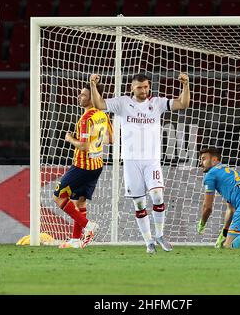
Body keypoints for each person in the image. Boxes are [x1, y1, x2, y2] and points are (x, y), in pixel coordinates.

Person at [89, 72, 190, 254]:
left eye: (146, 87)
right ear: (132, 88)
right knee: (140, 204)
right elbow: (99, 104)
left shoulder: (157, 103)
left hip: (151, 160)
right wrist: (93, 86)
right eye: (139, 87)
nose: (143, 90)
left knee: (157, 196)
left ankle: (159, 235)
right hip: (130, 161)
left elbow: (183, 103)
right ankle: (148, 241)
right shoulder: (122, 103)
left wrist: (185, 85)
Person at [54, 83, 113, 249]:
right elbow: (112, 139)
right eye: (80, 94)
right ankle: (75, 240)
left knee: (58, 196)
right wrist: (97, 141)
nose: (80, 97)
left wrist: (70, 139)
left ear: (93, 98)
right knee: (79, 201)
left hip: (82, 166)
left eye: (84, 95)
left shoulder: (86, 119)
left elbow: (84, 147)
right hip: (97, 165)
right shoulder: (103, 115)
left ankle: (88, 226)